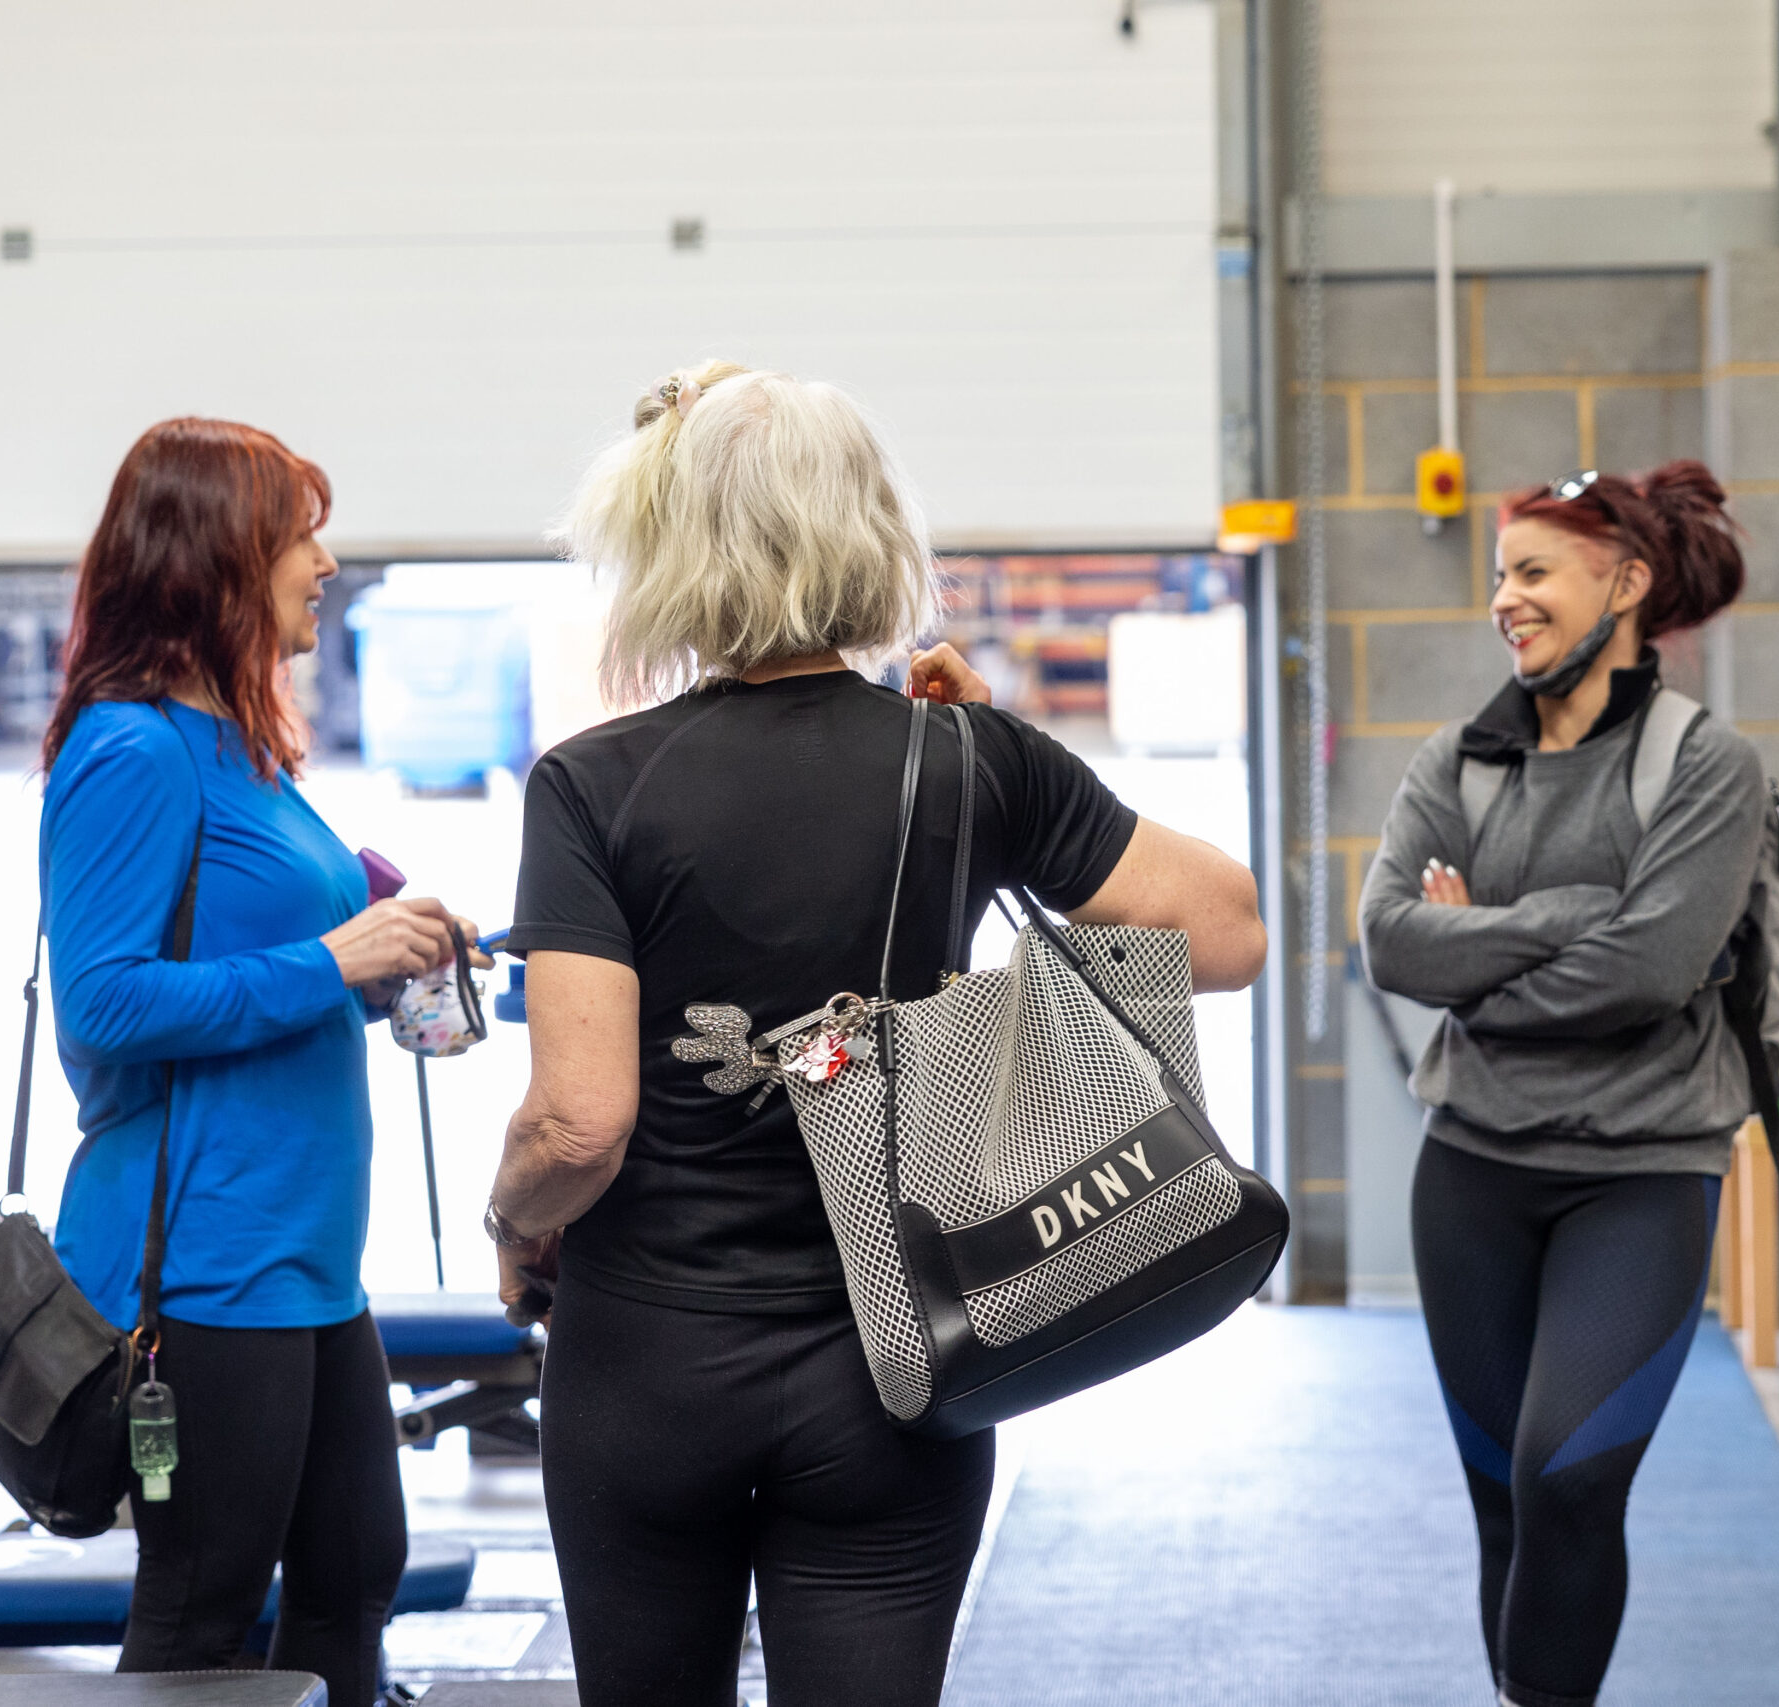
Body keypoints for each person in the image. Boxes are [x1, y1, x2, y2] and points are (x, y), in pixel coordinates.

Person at [489, 362, 1266, 1707]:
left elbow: (581, 1120)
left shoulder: (592, 784)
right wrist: (999, 757)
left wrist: (515, 1222)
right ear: (872, 532)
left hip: (649, 1368)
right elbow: (1232, 933)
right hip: (899, 1352)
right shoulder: (965, 756)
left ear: (671, 546)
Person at [38, 417, 482, 1707]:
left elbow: (286, 963)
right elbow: (104, 1004)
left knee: (353, 1578)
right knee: (203, 1610)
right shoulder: (131, 748)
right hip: (204, 1268)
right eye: (300, 534)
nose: (326, 563)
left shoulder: (247, 751)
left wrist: (393, 952)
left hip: (303, 1258)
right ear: (216, 557)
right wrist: (334, 963)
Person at [1357, 461, 1762, 1707]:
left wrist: (1477, 952)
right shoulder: (1461, 760)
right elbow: (1386, 941)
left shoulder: (1707, 767)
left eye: (1532, 572)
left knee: (1567, 1478)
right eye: (1499, 575)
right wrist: (1569, 921)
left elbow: (1648, 971)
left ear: (1625, 583)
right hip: (1473, 1168)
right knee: (1501, 1500)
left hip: (1640, 1175)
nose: (1505, 599)